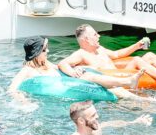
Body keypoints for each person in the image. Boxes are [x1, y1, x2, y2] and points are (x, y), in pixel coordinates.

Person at [58, 24, 156, 89]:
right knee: (138, 60)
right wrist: (72, 72)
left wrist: (137, 45)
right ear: (86, 40)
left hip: (121, 73)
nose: (99, 35)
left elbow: (116, 54)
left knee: (149, 55)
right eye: (95, 34)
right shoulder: (81, 54)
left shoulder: (99, 49)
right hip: (114, 79)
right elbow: (62, 64)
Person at [9, 35, 144, 101]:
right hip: (65, 90)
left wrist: (75, 70)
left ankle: (141, 100)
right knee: (90, 78)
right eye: (45, 49)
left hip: (70, 84)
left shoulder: (46, 63)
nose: (48, 51)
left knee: (103, 86)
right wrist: (24, 102)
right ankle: (127, 82)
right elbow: (11, 89)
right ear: (36, 53)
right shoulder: (27, 70)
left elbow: (59, 68)